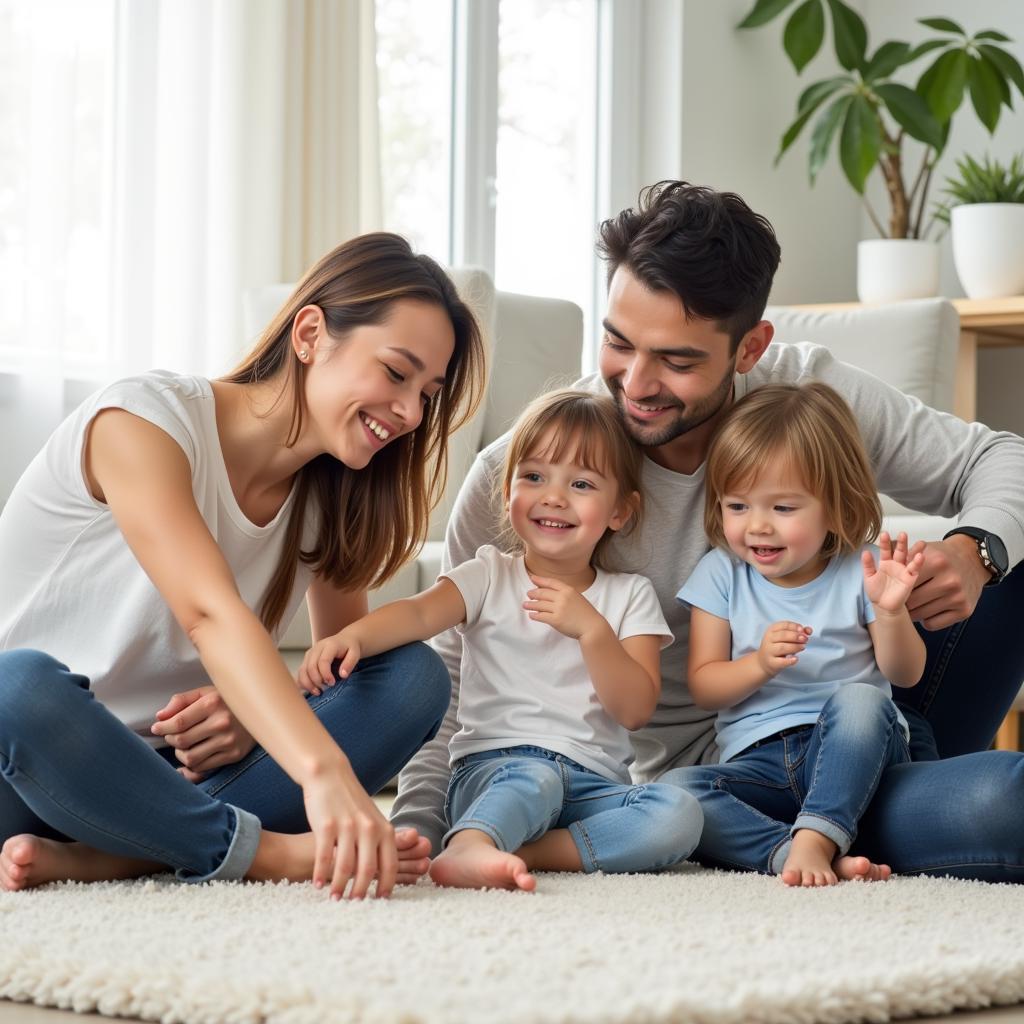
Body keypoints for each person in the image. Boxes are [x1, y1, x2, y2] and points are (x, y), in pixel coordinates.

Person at [392, 181, 1024, 883]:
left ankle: (874, 809)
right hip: (722, 786)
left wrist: (978, 550)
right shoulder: (532, 478)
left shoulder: (806, 399)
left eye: (678, 360)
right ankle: (856, 828)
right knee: (1003, 804)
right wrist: (416, 838)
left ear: (750, 347)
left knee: (1014, 555)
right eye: (618, 342)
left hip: (865, 723)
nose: (635, 382)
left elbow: (1001, 458)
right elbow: (454, 682)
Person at [0, 232, 486, 899]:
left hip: (179, 776)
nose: (410, 412)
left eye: (428, 393)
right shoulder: (142, 420)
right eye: (397, 373)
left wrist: (252, 707)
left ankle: (117, 853)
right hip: (36, 762)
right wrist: (323, 773)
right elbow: (208, 613)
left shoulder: (334, 493)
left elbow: (338, 672)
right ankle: (262, 855)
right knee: (15, 688)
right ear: (310, 333)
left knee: (409, 679)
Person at [298, 389, 700, 891]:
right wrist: (353, 637)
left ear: (620, 511)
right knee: (535, 779)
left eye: (580, 483)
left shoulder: (629, 595)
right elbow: (420, 613)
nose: (553, 496)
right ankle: (475, 838)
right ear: (508, 491)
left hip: (593, 788)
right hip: (498, 772)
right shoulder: (489, 573)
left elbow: (636, 710)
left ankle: (506, 848)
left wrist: (593, 630)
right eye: (533, 477)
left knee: (679, 814)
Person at [666, 382, 925, 886]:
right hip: (759, 762)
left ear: (834, 505)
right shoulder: (720, 574)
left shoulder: (860, 567)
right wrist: (759, 664)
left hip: (856, 749)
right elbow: (704, 684)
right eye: (737, 506)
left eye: (782, 509)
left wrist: (891, 613)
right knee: (676, 791)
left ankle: (816, 836)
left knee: (859, 700)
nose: (757, 526)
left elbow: (905, 674)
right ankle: (794, 850)